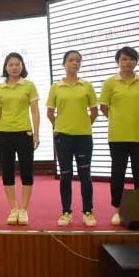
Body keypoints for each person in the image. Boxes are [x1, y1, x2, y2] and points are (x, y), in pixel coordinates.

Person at [100, 47, 139, 225]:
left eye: (132, 59)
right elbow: (104, 107)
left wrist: (135, 117)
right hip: (117, 136)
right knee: (118, 174)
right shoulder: (110, 82)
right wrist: (119, 119)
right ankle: (118, 210)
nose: (128, 62)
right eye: (124, 59)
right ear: (118, 61)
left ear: (136, 61)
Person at [47, 50, 98, 227]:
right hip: (63, 137)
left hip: (83, 137)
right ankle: (66, 212)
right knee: (66, 175)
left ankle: (88, 212)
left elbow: (94, 111)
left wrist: (82, 125)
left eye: (78, 60)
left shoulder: (87, 86)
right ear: (64, 64)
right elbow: (50, 112)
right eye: (71, 60)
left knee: (85, 175)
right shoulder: (56, 87)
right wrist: (60, 127)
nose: (75, 63)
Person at [0, 53, 40, 225]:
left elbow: (35, 111)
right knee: (7, 172)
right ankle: (13, 209)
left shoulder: (29, 85)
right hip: (4, 134)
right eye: (11, 64)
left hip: (24, 133)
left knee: (26, 171)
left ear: (22, 66)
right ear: (5, 67)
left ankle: (24, 209)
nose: (14, 67)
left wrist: (36, 133)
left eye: (17, 64)